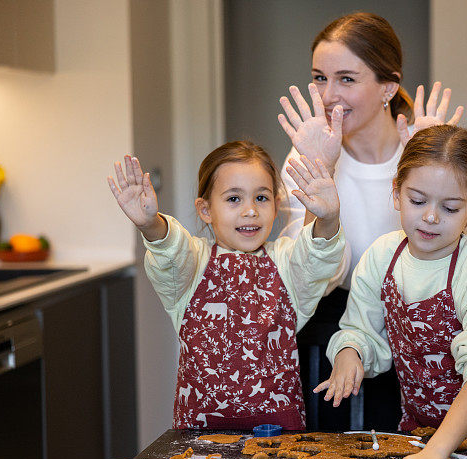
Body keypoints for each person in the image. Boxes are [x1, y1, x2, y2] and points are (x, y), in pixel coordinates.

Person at [276, 12, 467, 430]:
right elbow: (305, 281)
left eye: (347, 79)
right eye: (319, 78)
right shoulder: (305, 156)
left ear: (388, 86)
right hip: (343, 336)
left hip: (435, 343)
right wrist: (321, 172)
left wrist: (442, 163)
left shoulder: (423, 153)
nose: (329, 95)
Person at [316, 125, 467, 459]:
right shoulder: (382, 256)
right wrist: (349, 353)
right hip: (421, 431)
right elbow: (359, 329)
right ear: (396, 194)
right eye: (418, 201)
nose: (431, 217)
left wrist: (438, 452)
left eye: (450, 208)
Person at [106, 142, 345, 430]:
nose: (250, 211)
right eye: (234, 199)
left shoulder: (286, 261)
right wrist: (150, 225)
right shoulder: (192, 263)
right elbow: (170, 251)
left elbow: (316, 255)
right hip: (199, 435)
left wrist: (328, 218)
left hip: (280, 432)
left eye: (261, 198)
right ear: (205, 209)